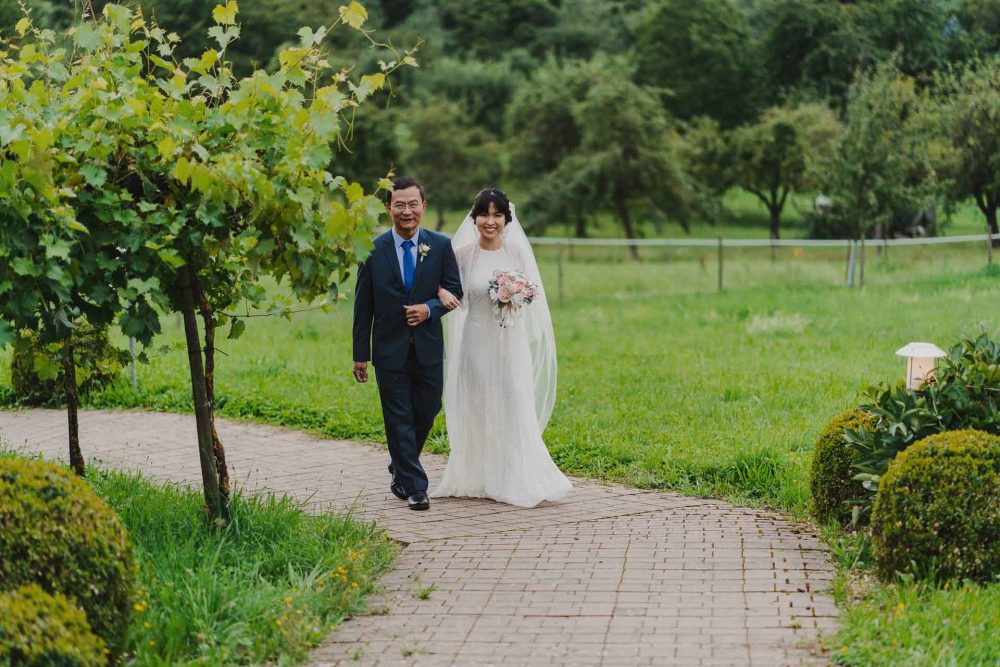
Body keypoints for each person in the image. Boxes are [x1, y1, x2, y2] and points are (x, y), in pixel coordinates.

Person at [430, 188, 572, 507]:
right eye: (485, 214)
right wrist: (441, 294)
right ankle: (480, 475)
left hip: (510, 343)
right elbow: (444, 286)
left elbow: (532, 294)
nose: (490, 221)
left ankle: (512, 475)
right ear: (475, 217)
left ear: (507, 219)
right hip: (476, 341)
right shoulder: (464, 254)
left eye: (497, 215)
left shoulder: (517, 254)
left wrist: (516, 295)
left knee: (512, 401)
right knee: (479, 405)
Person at [352, 177, 463, 511]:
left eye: (413, 204)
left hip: (428, 348)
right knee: (397, 415)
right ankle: (415, 487)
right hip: (388, 350)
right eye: (399, 205)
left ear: (423, 207)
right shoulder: (372, 249)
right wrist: (360, 354)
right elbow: (363, 305)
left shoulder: (441, 246)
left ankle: (401, 463)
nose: (406, 211)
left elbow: (455, 291)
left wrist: (429, 308)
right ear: (389, 208)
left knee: (428, 409)